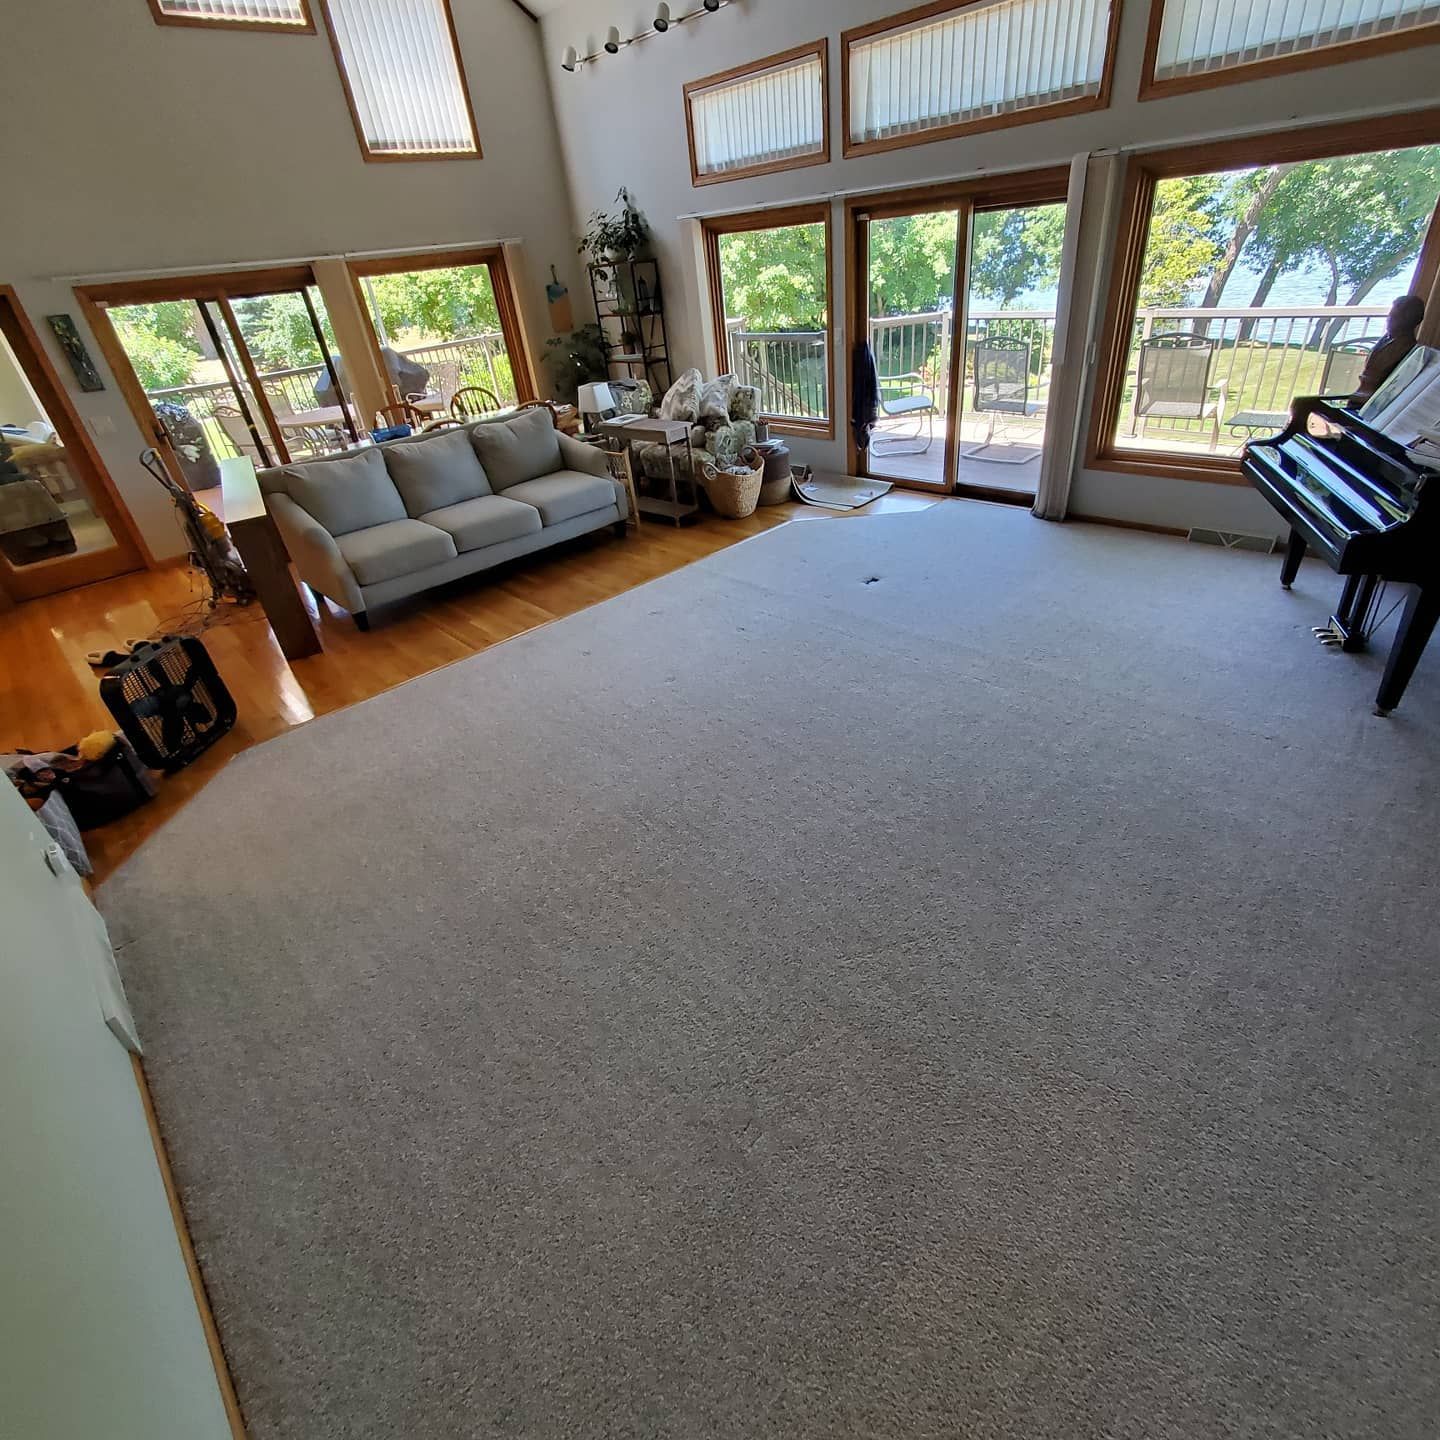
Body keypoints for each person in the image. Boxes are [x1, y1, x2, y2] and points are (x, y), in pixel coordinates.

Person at [1352, 294, 1425, 402]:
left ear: (1405, 320)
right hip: (1361, 394)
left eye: (1393, 316)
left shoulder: (1407, 348)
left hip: (1373, 400)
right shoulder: (1386, 339)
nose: (1388, 318)